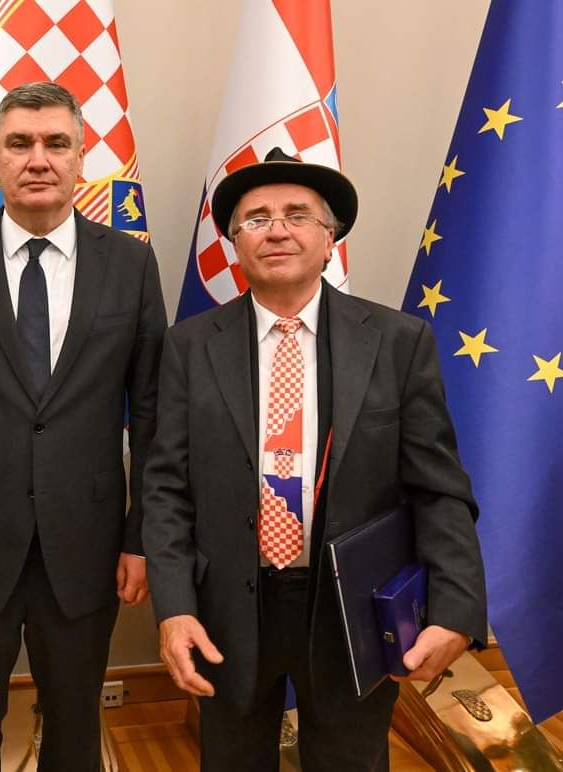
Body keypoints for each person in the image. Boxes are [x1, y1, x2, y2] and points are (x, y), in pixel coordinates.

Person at [143, 147, 487, 770]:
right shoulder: (188, 347)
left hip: (353, 609)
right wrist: (174, 608)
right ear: (234, 245)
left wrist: (457, 609)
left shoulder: (398, 341)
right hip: (228, 610)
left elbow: (438, 488)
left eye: (297, 215)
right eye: (256, 219)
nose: (276, 230)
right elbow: (166, 488)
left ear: (330, 241)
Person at [0, 81, 167, 770]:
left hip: (87, 542)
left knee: (75, 731)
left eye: (55, 143)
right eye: (19, 143)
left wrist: (141, 538)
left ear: (81, 157)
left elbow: (155, 414)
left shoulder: (131, 263)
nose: (38, 158)